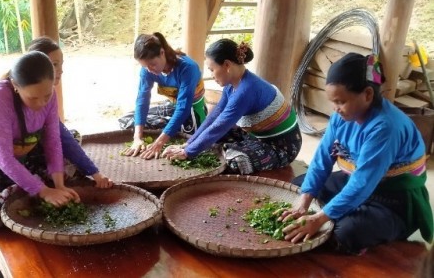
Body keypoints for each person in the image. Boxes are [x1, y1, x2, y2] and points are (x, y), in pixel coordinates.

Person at [280, 52, 433, 255]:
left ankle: (386, 224)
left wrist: (319, 218)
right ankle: (335, 210)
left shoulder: (385, 127)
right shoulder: (341, 117)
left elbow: (363, 183)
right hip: (354, 180)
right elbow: (322, 159)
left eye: (341, 102)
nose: (336, 109)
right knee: (298, 188)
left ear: (368, 94)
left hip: (393, 198)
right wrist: (305, 200)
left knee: (346, 232)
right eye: (333, 102)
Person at [0, 51, 80, 256]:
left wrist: (59, 185)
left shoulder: (49, 94)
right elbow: (3, 159)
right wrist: (44, 191)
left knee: (72, 149)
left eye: (47, 95)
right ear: (15, 85)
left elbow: (53, 141)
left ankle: (14, 193)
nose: (41, 103)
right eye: (33, 97)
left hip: (21, 160)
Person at [162, 38, 302, 175]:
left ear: (227, 65)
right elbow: (215, 117)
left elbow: (220, 125)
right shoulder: (231, 86)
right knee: (210, 138)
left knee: (236, 160)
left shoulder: (246, 90)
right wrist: (188, 144)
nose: (211, 75)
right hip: (254, 136)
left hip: (281, 146)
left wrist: (187, 153)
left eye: (212, 69)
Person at [27, 36, 112, 188]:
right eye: (54, 65)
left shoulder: (50, 94)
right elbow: (5, 155)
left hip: (33, 145)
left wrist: (95, 173)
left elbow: (59, 136)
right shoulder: (10, 96)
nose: (61, 71)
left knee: (72, 136)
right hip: (15, 155)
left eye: (61, 64)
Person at [119, 32, 207, 159]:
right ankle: (165, 134)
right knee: (127, 121)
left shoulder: (187, 68)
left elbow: (183, 108)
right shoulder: (147, 69)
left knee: (192, 138)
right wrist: (137, 137)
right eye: (145, 66)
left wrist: (159, 142)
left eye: (152, 64)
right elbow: (142, 100)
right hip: (173, 107)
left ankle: (167, 136)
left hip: (191, 112)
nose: (149, 69)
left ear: (162, 52)